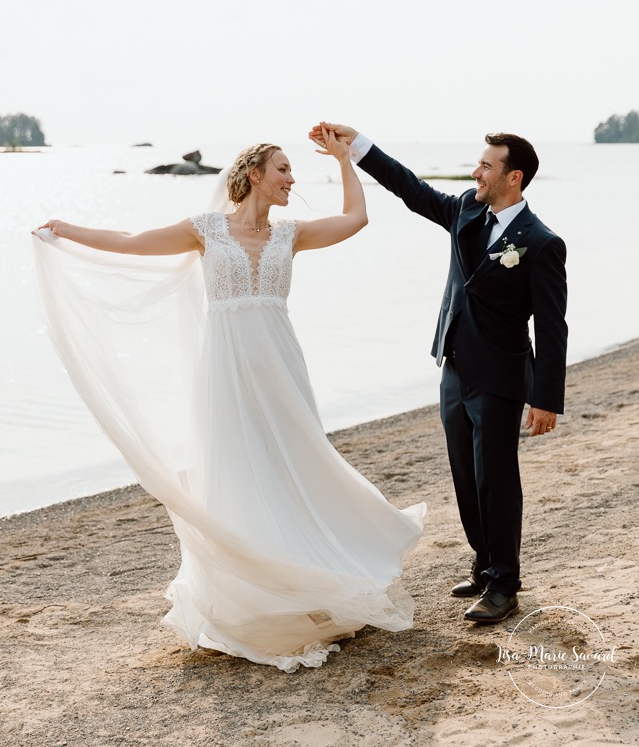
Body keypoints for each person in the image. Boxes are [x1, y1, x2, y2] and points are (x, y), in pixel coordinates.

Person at [33, 129, 425, 672]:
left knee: (296, 467)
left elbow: (356, 218)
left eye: (293, 170)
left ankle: (313, 584)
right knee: (240, 471)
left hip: (282, 368)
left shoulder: (292, 235)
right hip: (226, 371)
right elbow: (130, 240)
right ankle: (254, 599)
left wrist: (344, 160)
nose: (292, 179)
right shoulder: (205, 231)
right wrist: (67, 230)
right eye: (283, 169)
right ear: (254, 175)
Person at [309, 123, 567, 625]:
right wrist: (359, 145)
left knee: (496, 478)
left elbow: (552, 325)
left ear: (513, 178)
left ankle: (505, 583)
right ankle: (482, 562)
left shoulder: (540, 242)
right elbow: (409, 187)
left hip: (500, 377)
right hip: (453, 369)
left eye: (487, 165)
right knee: (466, 477)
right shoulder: (465, 211)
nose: (477, 171)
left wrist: (546, 397)